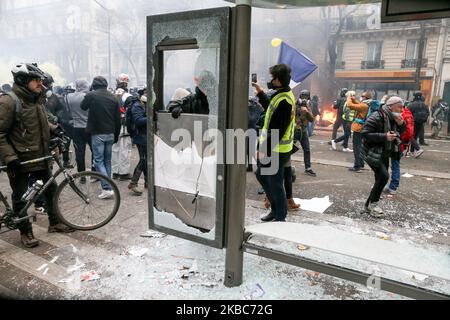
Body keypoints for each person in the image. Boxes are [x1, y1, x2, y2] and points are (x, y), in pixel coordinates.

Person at [0, 63, 74, 248]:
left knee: (51, 189)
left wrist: (54, 129)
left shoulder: (36, 99)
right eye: (36, 80)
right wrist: (10, 158)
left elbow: (38, 123)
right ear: (23, 80)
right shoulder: (9, 102)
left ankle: (55, 222)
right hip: (19, 160)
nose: (40, 83)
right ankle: (26, 232)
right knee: (21, 197)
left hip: (40, 156)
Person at [253, 64, 296, 222]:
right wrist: (260, 92)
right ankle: (276, 210)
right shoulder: (281, 95)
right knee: (264, 176)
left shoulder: (284, 100)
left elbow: (277, 130)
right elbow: (270, 109)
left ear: (278, 80)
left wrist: (263, 149)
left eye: (273, 78)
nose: (271, 81)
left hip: (277, 149)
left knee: (274, 181)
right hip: (277, 148)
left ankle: (280, 216)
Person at [361, 96, 406, 218]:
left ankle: (368, 205)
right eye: (399, 107)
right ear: (390, 106)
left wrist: (401, 124)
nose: (402, 110)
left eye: (402, 107)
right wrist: (384, 136)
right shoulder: (377, 116)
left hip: (385, 151)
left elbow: (401, 132)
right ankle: (373, 204)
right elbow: (365, 134)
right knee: (384, 176)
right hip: (372, 152)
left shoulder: (394, 117)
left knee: (379, 178)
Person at [81, 76, 121, 199]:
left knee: (98, 161)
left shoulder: (91, 95)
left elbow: (83, 106)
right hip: (110, 133)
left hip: (97, 133)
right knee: (107, 161)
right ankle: (108, 187)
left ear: (94, 85)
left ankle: (107, 188)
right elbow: (117, 119)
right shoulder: (113, 97)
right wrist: (116, 135)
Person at [385, 100, 414, 195]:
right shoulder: (408, 113)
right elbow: (410, 132)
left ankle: (385, 185)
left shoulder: (397, 114)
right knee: (395, 165)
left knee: (386, 164)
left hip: (394, 143)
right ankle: (393, 187)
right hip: (401, 144)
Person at [67, 80, 94, 178]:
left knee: (79, 152)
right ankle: (94, 173)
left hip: (76, 127)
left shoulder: (69, 97)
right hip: (89, 127)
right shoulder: (89, 96)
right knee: (94, 151)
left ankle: (81, 174)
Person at [127, 88, 149, 195]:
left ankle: (147, 182)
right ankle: (133, 183)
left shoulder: (144, 104)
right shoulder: (137, 105)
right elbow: (138, 121)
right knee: (144, 159)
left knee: (146, 159)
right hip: (140, 136)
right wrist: (151, 117)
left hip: (145, 136)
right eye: (146, 93)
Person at [111, 86, 133, 181]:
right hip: (124, 127)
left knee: (115, 150)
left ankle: (115, 172)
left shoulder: (112, 96)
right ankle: (123, 173)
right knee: (124, 150)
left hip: (114, 127)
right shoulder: (128, 97)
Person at [346, 91, 371, 172]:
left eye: (362, 96)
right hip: (362, 128)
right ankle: (361, 163)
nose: (361, 97)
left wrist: (349, 98)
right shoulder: (366, 104)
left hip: (358, 128)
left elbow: (350, 105)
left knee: (357, 147)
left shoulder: (364, 105)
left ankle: (357, 166)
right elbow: (359, 104)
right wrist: (354, 99)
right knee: (360, 147)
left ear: (365, 98)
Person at [294, 90, 316, 177]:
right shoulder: (295, 105)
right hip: (295, 131)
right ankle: (284, 165)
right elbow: (295, 119)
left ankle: (308, 168)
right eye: (303, 96)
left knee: (307, 150)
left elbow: (312, 119)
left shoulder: (307, 106)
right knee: (289, 150)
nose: (304, 98)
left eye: (306, 96)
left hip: (303, 131)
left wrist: (307, 111)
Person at [331, 88, 353, 153]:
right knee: (346, 132)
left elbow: (335, 107)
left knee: (335, 128)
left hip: (340, 117)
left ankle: (334, 140)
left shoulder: (340, 99)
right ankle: (344, 144)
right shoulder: (348, 100)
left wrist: (334, 104)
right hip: (346, 118)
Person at [408, 91, 429, 158]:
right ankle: (412, 151)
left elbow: (407, 113)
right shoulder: (424, 105)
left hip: (413, 122)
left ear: (414, 96)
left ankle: (418, 149)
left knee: (410, 136)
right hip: (421, 122)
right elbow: (428, 113)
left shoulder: (411, 104)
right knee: (415, 136)